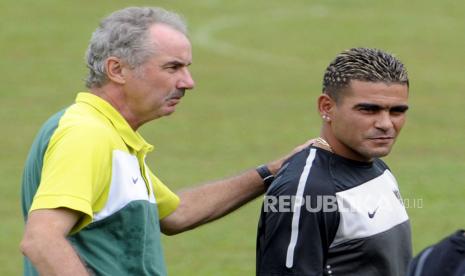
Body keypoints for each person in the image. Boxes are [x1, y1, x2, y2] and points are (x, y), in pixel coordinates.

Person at [20, 7, 311, 276]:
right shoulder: (87, 134)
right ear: (117, 70)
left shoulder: (113, 136)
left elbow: (176, 213)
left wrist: (273, 171)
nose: (188, 82)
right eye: (173, 68)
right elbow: (41, 240)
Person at [256, 47, 412, 275]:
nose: (386, 124)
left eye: (397, 111)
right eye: (369, 110)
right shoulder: (306, 190)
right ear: (326, 107)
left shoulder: (377, 167)